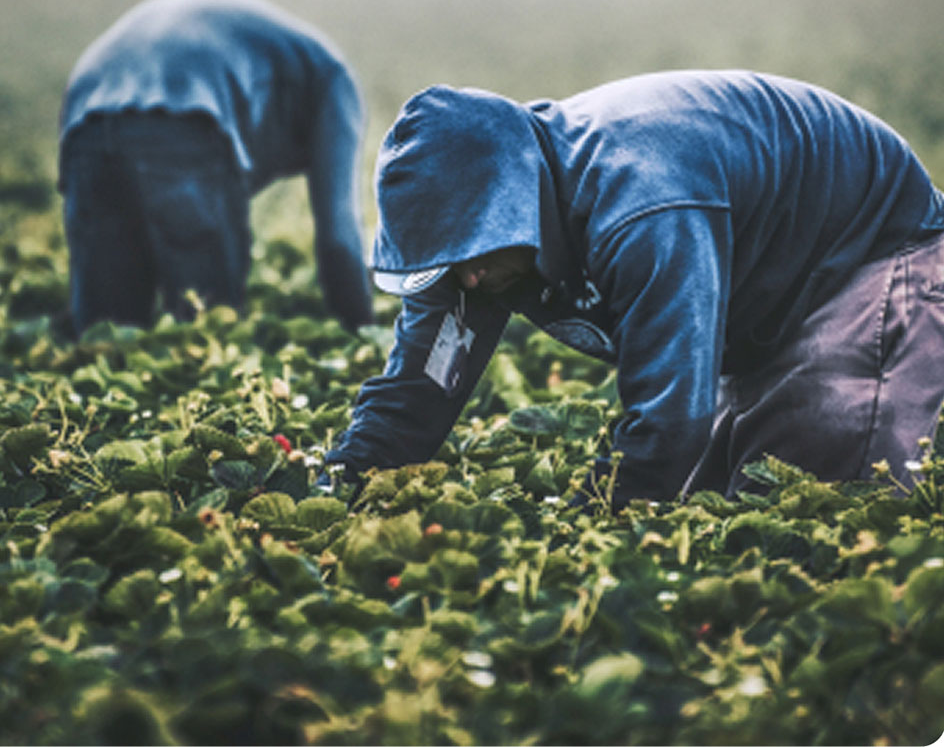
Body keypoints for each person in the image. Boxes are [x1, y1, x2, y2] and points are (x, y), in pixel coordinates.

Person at [323, 70, 944, 509]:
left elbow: (671, 415)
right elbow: (420, 388)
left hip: (875, 250)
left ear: (513, 204)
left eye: (474, 253)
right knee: (731, 489)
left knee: (825, 488)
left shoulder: (640, 204)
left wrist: (595, 515)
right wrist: (343, 482)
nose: (469, 280)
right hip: (765, 290)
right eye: (447, 262)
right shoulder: (478, 256)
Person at [58, 0, 373, 335]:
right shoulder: (337, 83)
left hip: (85, 113)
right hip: (184, 110)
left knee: (106, 334)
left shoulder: (289, 62)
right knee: (205, 330)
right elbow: (339, 236)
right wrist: (362, 330)